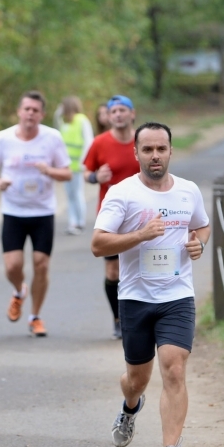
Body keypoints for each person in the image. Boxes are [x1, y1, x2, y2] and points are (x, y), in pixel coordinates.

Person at [91, 121, 210, 447]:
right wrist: (140, 234)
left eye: (161, 149)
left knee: (174, 368)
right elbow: (98, 244)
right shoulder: (121, 194)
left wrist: (198, 244)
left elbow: (201, 225)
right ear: (136, 153)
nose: (155, 155)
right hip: (136, 298)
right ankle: (129, 407)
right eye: (148, 149)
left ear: (171, 151)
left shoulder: (189, 191)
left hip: (176, 296)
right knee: (137, 379)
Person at [0, 90, 72, 337]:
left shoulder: (52, 138)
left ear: (42, 114)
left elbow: (67, 173)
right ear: (19, 112)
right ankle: (19, 291)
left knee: (41, 265)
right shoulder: (3, 138)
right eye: (27, 109)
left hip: (42, 211)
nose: (30, 114)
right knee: (13, 266)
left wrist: (49, 171)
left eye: (35, 110)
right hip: (13, 210)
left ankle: (35, 316)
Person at [83, 95, 140, 339]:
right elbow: (86, 172)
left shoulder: (142, 140)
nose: (117, 115)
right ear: (108, 116)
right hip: (111, 216)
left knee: (142, 268)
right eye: (113, 111)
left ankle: (143, 317)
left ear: (132, 113)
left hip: (140, 214)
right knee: (113, 273)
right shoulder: (100, 142)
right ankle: (118, 318)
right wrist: (97, 177)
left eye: (122, 110)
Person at [54, 96, 93, 235]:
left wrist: (84, 162)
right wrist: (57, 115)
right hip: (67, 167)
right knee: (69, 195)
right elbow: (57, 131)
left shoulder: (82, 120)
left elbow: (89, 141)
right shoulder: (65, 124)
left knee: (77, 194)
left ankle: (80, 222)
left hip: (77, 166)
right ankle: (73, 223)